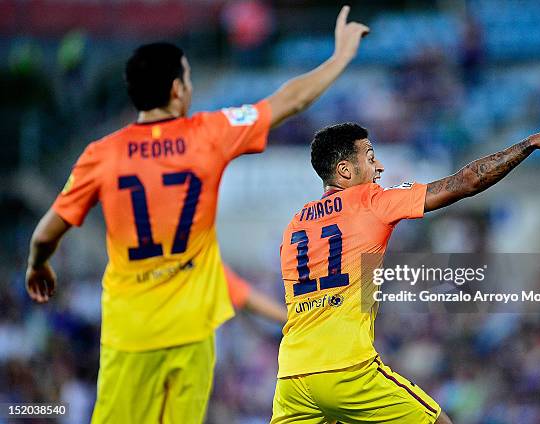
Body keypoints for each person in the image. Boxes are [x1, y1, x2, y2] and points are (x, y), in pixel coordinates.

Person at [24, 6, 368, 423]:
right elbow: (290, 100)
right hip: (191, 330)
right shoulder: (209, 133)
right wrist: (340, 56)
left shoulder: (101, 155)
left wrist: (38, 265)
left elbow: (47, 232)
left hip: (130, 332)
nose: (189, 86)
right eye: (186, 78)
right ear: (175, 90)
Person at [273, 121, 540, 424]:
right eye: (370, 158)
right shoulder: (370, 202)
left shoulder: (293, 227)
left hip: (292, 377)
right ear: (344, 170)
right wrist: (529, 143)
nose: (379, 167)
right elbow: (466, 182)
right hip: (346, 369)